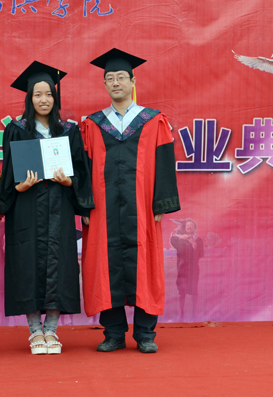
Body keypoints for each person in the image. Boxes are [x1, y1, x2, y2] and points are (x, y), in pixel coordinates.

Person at [81, 48, 180, 353]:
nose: (116, 83)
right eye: (110, 78)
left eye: (121, 77)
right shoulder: (93, 124)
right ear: (104, 84)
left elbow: (164, 162)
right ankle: (113, 333)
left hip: (142, 205)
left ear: (133, 81)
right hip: (103, 207)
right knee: (104, 264)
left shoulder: (153, 120)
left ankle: (146, 334)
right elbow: (84, 167)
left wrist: (162, 202)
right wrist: (84, 204)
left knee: (145, 264)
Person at [0, 61, 94, 355]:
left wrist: (69, 182)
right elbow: (7, 175)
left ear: (56, 98)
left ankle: (51, 330)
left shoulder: (69, 131)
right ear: (29, 98)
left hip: (58, 211)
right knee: (26, 265)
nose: (43, 100)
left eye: (49, 94)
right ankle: (34, 331)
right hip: (26, 210)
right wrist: (19, 188)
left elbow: (82, 172)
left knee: (59, 264)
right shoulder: (16, 130)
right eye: (37, 94)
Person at [170, 219, 204, 322]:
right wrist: (181, 237)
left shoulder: (199, 240)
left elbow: (201, 254)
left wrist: (194, 246)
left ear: (194, 227)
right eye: (188, 225)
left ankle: (194, 313)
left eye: (191, 225)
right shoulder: (180, 239)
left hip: (193, 269)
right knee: (182, 291)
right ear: (184, 227)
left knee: (194, 291)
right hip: (182, 268)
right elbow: (173, 240)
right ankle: (182, 313)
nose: (189, 227)